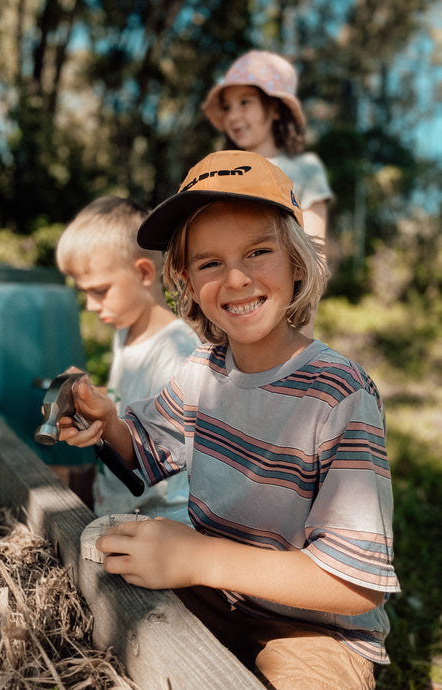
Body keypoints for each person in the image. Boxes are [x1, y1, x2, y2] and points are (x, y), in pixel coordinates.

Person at [58, 152, 399, 689]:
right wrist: (108, 423)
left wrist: (199, 558)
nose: (236, 278)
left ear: (295, 260)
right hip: (218, 593)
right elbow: (143, 451)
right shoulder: (201, 371)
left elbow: (356, 584)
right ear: (186, 280)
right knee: (102, 588)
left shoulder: (339, 392)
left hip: (315, 631)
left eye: (258, 252)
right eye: (209, 263)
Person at [55, 195, 200, 523]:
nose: (91, 305)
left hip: (160, 521)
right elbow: (132, 398)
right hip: (120, 506)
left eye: (100, 291)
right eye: (84, 293)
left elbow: (168, 457)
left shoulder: (176, 353)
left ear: (144, 273)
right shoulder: (127, 329)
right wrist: (91, 399)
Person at [201, 50, 332, 248]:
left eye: (245, 102)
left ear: (276, 109)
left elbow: (316, 254)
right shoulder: (216, 175)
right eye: (227, 107)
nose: (233, 116)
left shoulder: (305, 169)